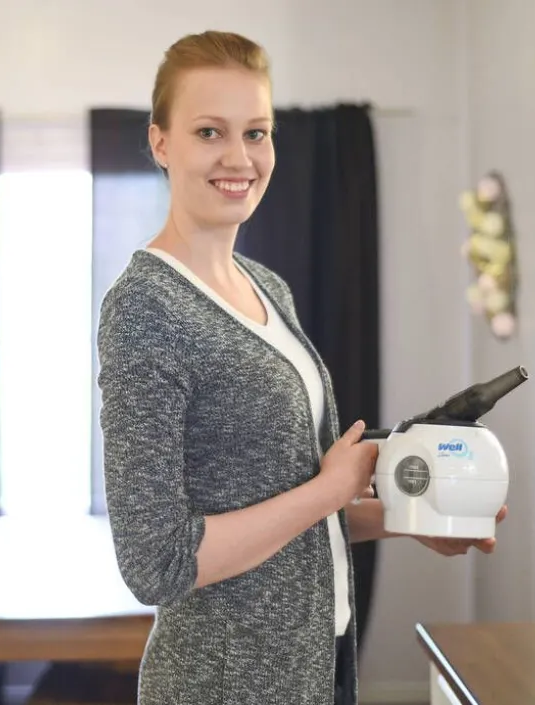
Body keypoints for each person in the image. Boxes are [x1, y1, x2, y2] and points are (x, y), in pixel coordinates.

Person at [96, 30, 508, 705]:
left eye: (256, 133)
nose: (239, 157)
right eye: (209, 131)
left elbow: (294, 509)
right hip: (224, 686)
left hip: (318, 664)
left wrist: (411, 517)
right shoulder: (145, 308)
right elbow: (155, 562)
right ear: (161, 142)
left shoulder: (267, 288)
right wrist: (329, 489)